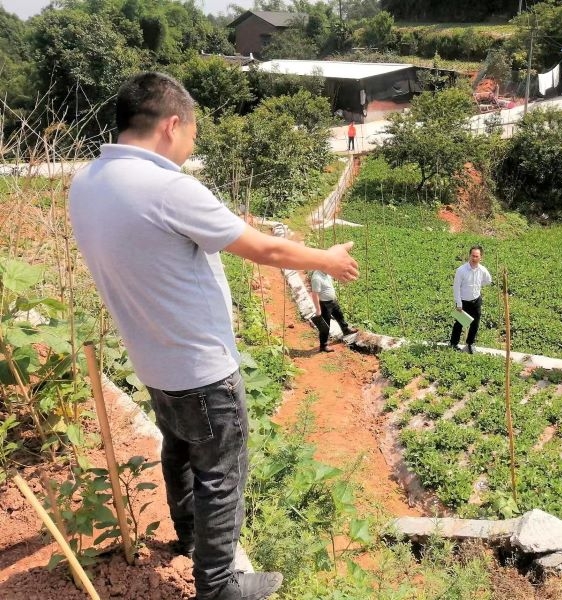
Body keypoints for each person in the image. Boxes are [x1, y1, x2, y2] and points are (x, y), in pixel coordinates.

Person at [69, 72, 359, 600]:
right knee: (221, 474)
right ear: (171, 125)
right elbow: (263, 250)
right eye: (192, 136)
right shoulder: (166, 187)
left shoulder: (87, 182)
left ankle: (188, 540)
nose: (189, 148)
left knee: (178, 452)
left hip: (152, 359)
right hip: (201, 368)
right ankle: (219, 585)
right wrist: (327, 258)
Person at [450, 245, 492, 354]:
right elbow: (456, 287)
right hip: (463, 302)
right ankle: (453, 343)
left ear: (480, 257)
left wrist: (478, 285)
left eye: (477, 256)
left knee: (475, 323)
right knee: (459, 323)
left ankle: (470, 344)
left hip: (476, 300)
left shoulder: (482, 270)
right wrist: (458, 303)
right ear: (469, 256)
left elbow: (488, 280)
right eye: (472, 256)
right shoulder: (461, 270)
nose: (474, 258)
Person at [309, 269, 358, 352]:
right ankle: (323, 345)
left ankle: (345, 330)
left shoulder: (326, 273)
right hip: (324, 304)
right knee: (325, 325)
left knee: (340, 316)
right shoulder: (316, 278)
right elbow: (315, 295)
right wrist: (318, 309)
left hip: (333, 301)